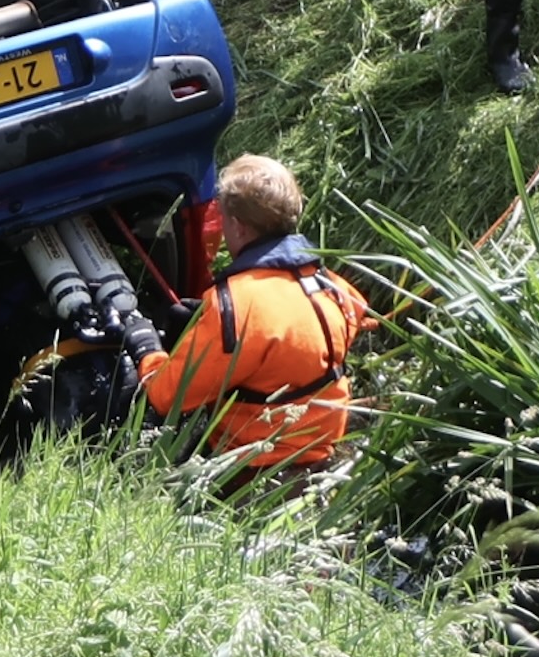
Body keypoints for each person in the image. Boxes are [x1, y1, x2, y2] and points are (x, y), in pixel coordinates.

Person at [135, 156, 377, 473]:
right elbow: (357, 320)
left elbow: (167, 397)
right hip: (322, 453)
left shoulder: (234, 306)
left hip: (255, 469)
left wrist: (147, 349)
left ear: (238, 225)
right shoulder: (332, 284)